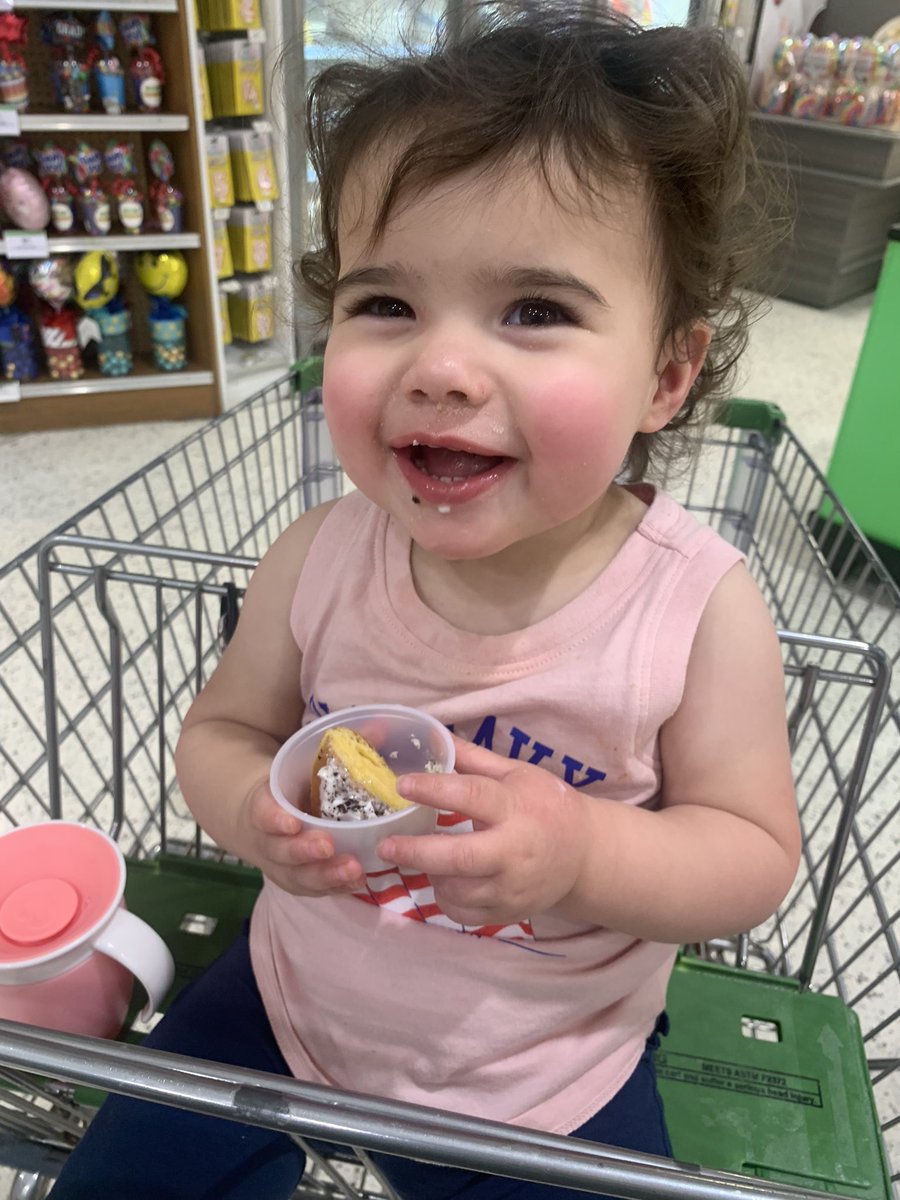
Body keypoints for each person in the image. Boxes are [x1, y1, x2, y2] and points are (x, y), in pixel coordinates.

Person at [50, 5, 800, 1197]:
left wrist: (583, 851)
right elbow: (222, 735)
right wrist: (255, 811)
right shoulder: (319, 557)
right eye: (385, 303)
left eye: (535, 312)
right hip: (285, 1003)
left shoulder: (694, 609)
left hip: (552, 1066)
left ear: (666, 374)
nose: (441, 368)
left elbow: (754, 856)